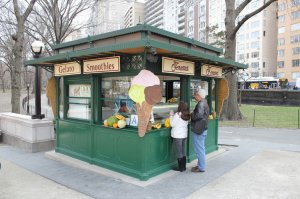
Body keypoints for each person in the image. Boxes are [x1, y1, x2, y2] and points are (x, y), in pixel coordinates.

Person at [190, 89, 209, 172]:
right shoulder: (205, 102)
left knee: (199, 149)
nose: (195, 96)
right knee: (201, 148)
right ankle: (200, 165)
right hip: (202, 128)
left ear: (199, 96)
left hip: (199, 129)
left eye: (196, 94)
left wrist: (192, 114)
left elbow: (198, 116)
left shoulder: (200, 104)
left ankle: (201, 167)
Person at [170, 101, 190, 172]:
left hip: (178, 135)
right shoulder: (187, 114)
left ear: (180, 107)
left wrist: (171, 115)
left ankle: (180, 168)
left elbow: (172, 124)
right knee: (183, 151)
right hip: (184, 135)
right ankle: (183, 167)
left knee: (179, 152)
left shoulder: (177, 114)